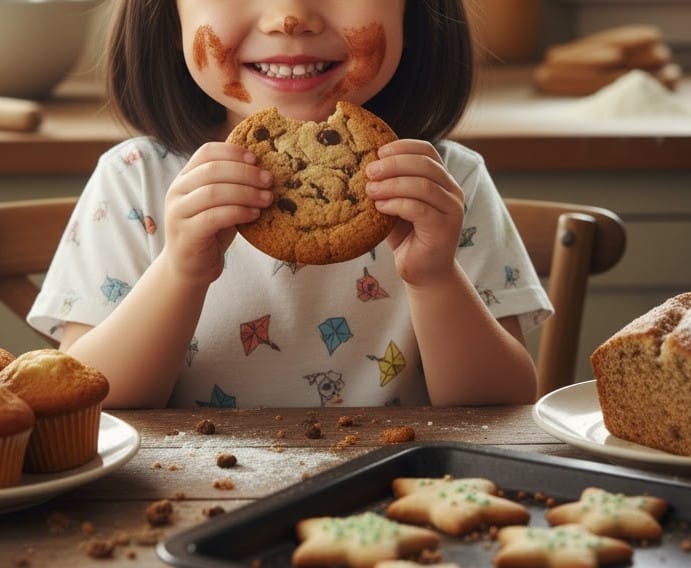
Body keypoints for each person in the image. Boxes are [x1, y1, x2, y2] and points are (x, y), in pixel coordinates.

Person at [27, 0, 553, 409]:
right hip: (192, 500)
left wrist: (436, 279)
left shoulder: (443, 185)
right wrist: (179, 273)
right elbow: (88, 399)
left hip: (393, 502)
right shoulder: (135, 182)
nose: (290, 16)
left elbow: (502, 406)